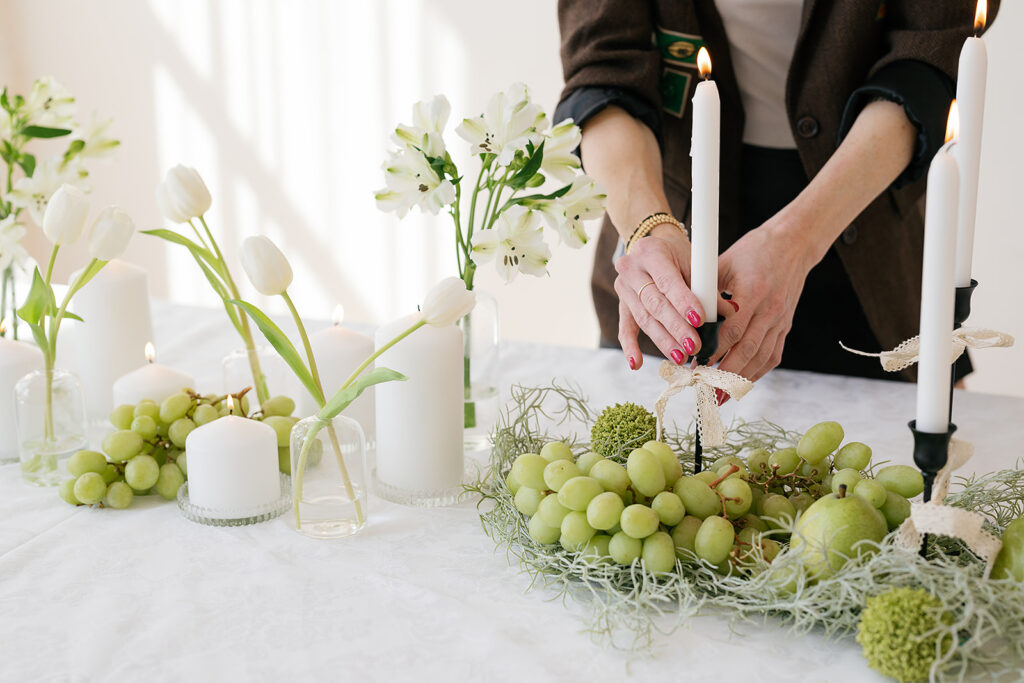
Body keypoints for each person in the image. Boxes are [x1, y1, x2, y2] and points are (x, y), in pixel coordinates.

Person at [554, 0, 998, 390]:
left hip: (864, 228)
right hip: (669, 227)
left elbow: (930, 54)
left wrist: (795, 240)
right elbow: (603, 70)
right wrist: (649, 227)